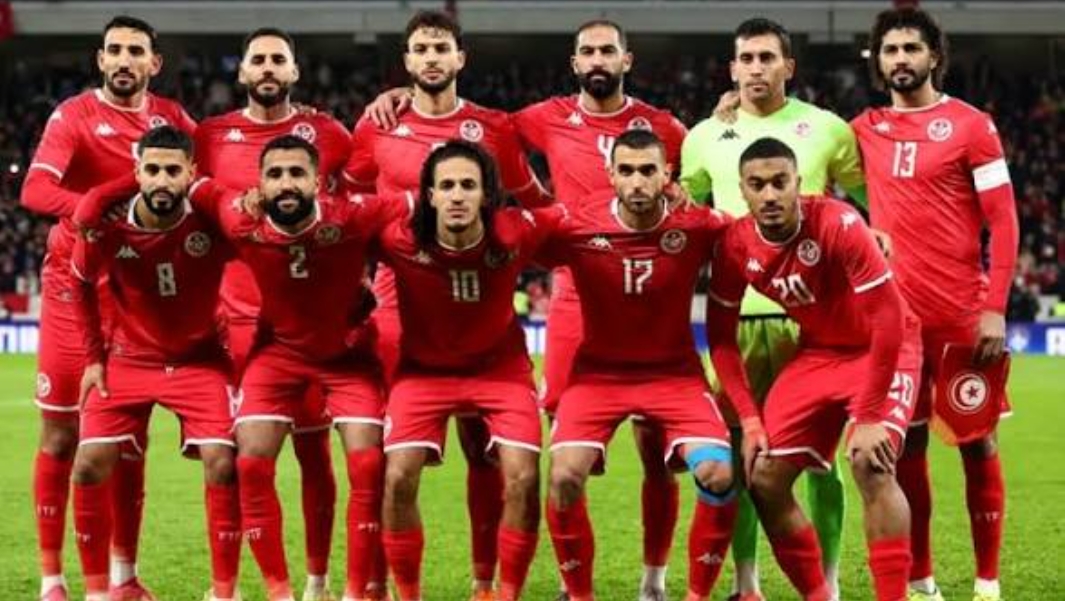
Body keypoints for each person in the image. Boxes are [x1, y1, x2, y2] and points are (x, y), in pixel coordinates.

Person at [365, 20, 689, 600]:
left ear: (627, 59)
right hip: (538, 298)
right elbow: (353, 195)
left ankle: (653, 581)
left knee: (652, 448)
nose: (597, 59)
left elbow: (708, 162)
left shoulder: (663, 127)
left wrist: (727, 116)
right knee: (554, 455)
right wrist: (399, 97)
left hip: (638, 292)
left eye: (607, 50)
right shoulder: (536, 118)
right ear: (573, 62)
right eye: (587, 50)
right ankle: (563, 584)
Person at [344, 13, 549, 596]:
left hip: (476, 303)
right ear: (406, 61)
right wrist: (354, 281)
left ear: (460, 58)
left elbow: (534, 202)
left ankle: (486, 583)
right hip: (396, 305)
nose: (431, 57)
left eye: (441, 48)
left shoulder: (494, 127)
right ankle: (375, 584)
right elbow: (351, 205)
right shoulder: (378, 125)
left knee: (483, 454)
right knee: (385, 462)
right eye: (421, 49)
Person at [679, 18, 868, 601]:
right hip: (735, 321)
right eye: (746, 59)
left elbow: (874, 200)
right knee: (743, 455)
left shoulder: (828, 129)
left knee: (821, 462)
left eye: (767, 57)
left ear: (789, 66)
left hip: (811, 322)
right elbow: (685, 213)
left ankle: (828, 582)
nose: (756, 68)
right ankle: (747, 584)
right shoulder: (704, 135)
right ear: (732, 69)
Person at [19, 16, 196, 601]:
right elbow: (35, 190)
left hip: (134, 294)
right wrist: (98, 204)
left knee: (126, 441)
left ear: (154, 63)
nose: (124, 60)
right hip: (73, 287)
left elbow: (216, 166)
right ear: (100, 59)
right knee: (59, 434)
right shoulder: (74, 115)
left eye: (135, 51)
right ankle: (52, 580)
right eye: (114, 50)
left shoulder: (172, 119)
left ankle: (124, 578)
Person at [851, 8, 1019, 601]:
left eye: (911, 48)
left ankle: (987, 579)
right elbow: (806, 148)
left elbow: (1004, 220)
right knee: (909, 447)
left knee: (978, 441)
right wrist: (731, 108)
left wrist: (995, 307)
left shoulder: (972, 126)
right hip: (897, 325)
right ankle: (921, 577)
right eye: (890, 50)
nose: (900, 59)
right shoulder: (863, 128)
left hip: (961, 317)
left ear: (934, 56)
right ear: (878, 61)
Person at [707, 137, 921, 601]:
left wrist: (869, 416)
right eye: (757, 185)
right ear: (742, 190)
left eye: (779, 182)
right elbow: (720, 340)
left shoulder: (839, 222)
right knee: (764, 477)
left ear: (798, 183)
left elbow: (888, 318)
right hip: (819, 354)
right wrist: (749, 420)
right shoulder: (734, 245)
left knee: (870, 462)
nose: (769, 195)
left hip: (884, 348)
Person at [188, 135, 397, 601]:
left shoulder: (352, 215)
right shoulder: (239, 218)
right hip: (277, 354)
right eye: (275, 175)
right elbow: (193, 183)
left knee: (368, 462)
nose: (286, 184)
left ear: (318, 182)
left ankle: (354, 593)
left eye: (297, 174)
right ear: (259, 184)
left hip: (348, 357)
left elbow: (419, 204)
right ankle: (279, 592)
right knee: (250, 461)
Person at [541, 130, 745, 601]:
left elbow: (752, 234)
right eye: (627, 171)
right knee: (564, 476)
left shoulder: (697, 224)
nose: (637, 181)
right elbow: (510, 241)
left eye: (648, 170)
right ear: (610, 175)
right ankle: (579, 596)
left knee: (719, 474)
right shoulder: (575, 224)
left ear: (666, 175)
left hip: (675, 375)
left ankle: (686, 593)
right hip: (598, 377)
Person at [192, 27, 358, 601]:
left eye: (278, 60)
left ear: (294, 72)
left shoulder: (330, 134)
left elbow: (356, 204)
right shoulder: (210, 136)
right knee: (237, 460)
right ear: (241, 72)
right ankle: (229, 586)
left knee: (315, 452)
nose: (267, 68)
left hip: (308, 324)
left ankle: (316, 581)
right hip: (237, 323)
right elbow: (193, 202)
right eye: (257, 59)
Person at [377, 140, 565, 601]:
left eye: (468, 185)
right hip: (423, 373)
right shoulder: (399, 238)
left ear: (486, 195)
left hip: (501, 372)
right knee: (397, 476)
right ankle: (408, 595)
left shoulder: (514, 231)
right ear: (429, 195)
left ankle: (505, 593)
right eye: (447, 186)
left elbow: (579, 217)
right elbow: (336, 235)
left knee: (523, 476)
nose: (457, 195)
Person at [69, 127, 241, 601]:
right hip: (129, 359)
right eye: (152, 170)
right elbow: (79, 282)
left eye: (172, 170)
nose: (162, 180)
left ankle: (224, 592)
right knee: (87, 465)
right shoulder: (108, 224)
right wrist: (93, 359)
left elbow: (259, 249)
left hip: (201, 361)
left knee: (223, 462)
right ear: (137, 173)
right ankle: (99, 593)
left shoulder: (209, 221)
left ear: (190, 173)